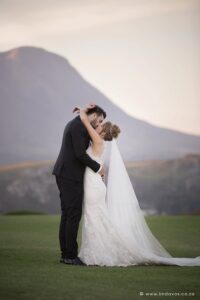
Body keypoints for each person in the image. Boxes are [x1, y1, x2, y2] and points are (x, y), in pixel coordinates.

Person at [75, 105, 200, 267]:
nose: (97, 126)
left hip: (93, 187)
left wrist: (83, 111)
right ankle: (96, 251)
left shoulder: (98, 141)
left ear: (104, 133)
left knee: (94, 218)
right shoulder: (100, 142)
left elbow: (85, 122)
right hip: (94, 184)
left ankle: (97, 253)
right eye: (97, 125)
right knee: (95, 219)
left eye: (99, 126)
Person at [52, 105, 106, 265]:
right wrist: (98, 168)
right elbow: (80, 154)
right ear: (94, 115)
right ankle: (70, 255)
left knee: (68, 214)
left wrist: (83, 112)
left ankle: (66, 254)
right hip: (69, 175)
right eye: (100, 120)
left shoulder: (79, 123)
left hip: (66, 174)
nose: (100, 124)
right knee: (73, 214)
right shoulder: (77, 126)